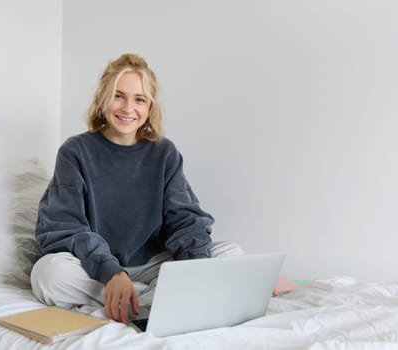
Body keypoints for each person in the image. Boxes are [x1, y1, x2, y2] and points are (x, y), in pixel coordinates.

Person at [30, 53, 243, 324]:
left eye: (139, 99)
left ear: (150, 107)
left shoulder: (164, 153)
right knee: (48, 275)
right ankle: (154, 301)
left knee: (231, 254)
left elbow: (186, 219)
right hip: (97, 268)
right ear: (102, 100)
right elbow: (65, 226)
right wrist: (112, 273)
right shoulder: (75, 152)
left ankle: (130, 300)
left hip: (153, 265)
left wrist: (197, 267)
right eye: (118, 96)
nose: (128, 108)